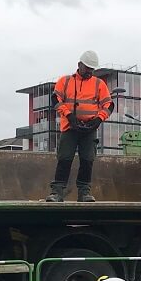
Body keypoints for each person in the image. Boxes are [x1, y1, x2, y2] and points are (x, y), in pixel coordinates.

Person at [46, 50, 113, 203]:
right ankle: (57, 193)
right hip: (70, 127)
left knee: (88, 160)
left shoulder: (99, 84)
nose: (89, 71)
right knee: (64, 158)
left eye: (92, 69)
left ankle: (84, 193)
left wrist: (98, 120)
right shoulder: (65, 81)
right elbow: (55, 99)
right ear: (79, 65)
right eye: (87, 68)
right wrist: (69, 115)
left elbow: (108, 104)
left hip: (90, 128)